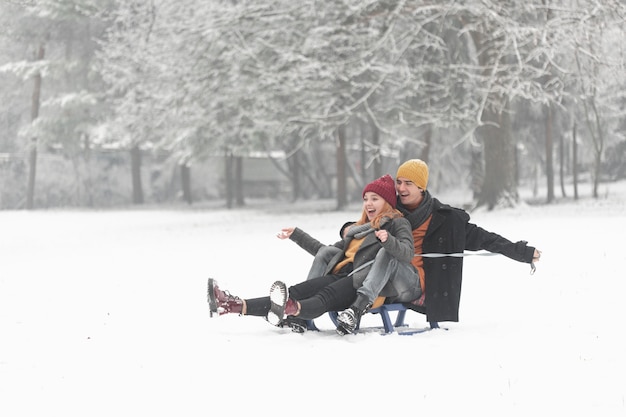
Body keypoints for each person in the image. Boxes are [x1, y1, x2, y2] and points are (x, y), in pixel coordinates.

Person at [335, 158, 542, 330]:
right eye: (399, 182)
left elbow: (486, 239)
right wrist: (346, 228)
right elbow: (363, 224)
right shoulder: (391, 209)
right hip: (376, 274)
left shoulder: (444, 219)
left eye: (408, 183)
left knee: (389, 257)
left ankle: (355, 308)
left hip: (416, 282)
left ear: (421, 187)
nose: (401, 188)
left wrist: (521, 251)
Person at [207, 174, 417, 335]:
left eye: (375, 199)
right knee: (294, 290)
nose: (368, 204)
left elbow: (407, 253)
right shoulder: (359, 229)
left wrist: (388, 240)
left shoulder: (398, 223)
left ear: (387, 202)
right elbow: (327, 251)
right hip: (340, 275)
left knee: (322, 297)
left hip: (359, 281)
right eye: (365, 199)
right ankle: (232, 305)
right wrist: (298, 235)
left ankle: (294, 310)